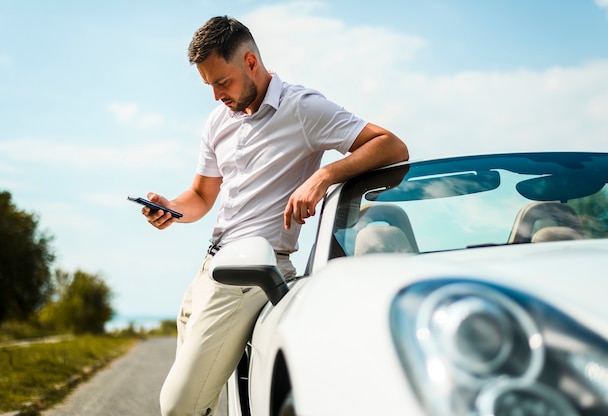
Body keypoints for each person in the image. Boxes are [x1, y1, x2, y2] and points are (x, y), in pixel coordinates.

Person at [141, 16, 409, 416]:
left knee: (179, 406)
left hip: (253, 271)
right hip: (208, 271)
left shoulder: (303, 108)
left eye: (222, 82)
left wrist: (324, 175)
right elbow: (201, 195)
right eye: (209, 85)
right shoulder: (218, 122)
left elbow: (391, 145)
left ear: (251, 62)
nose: (216, 95)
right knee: (206, 405)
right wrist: (171, 210)